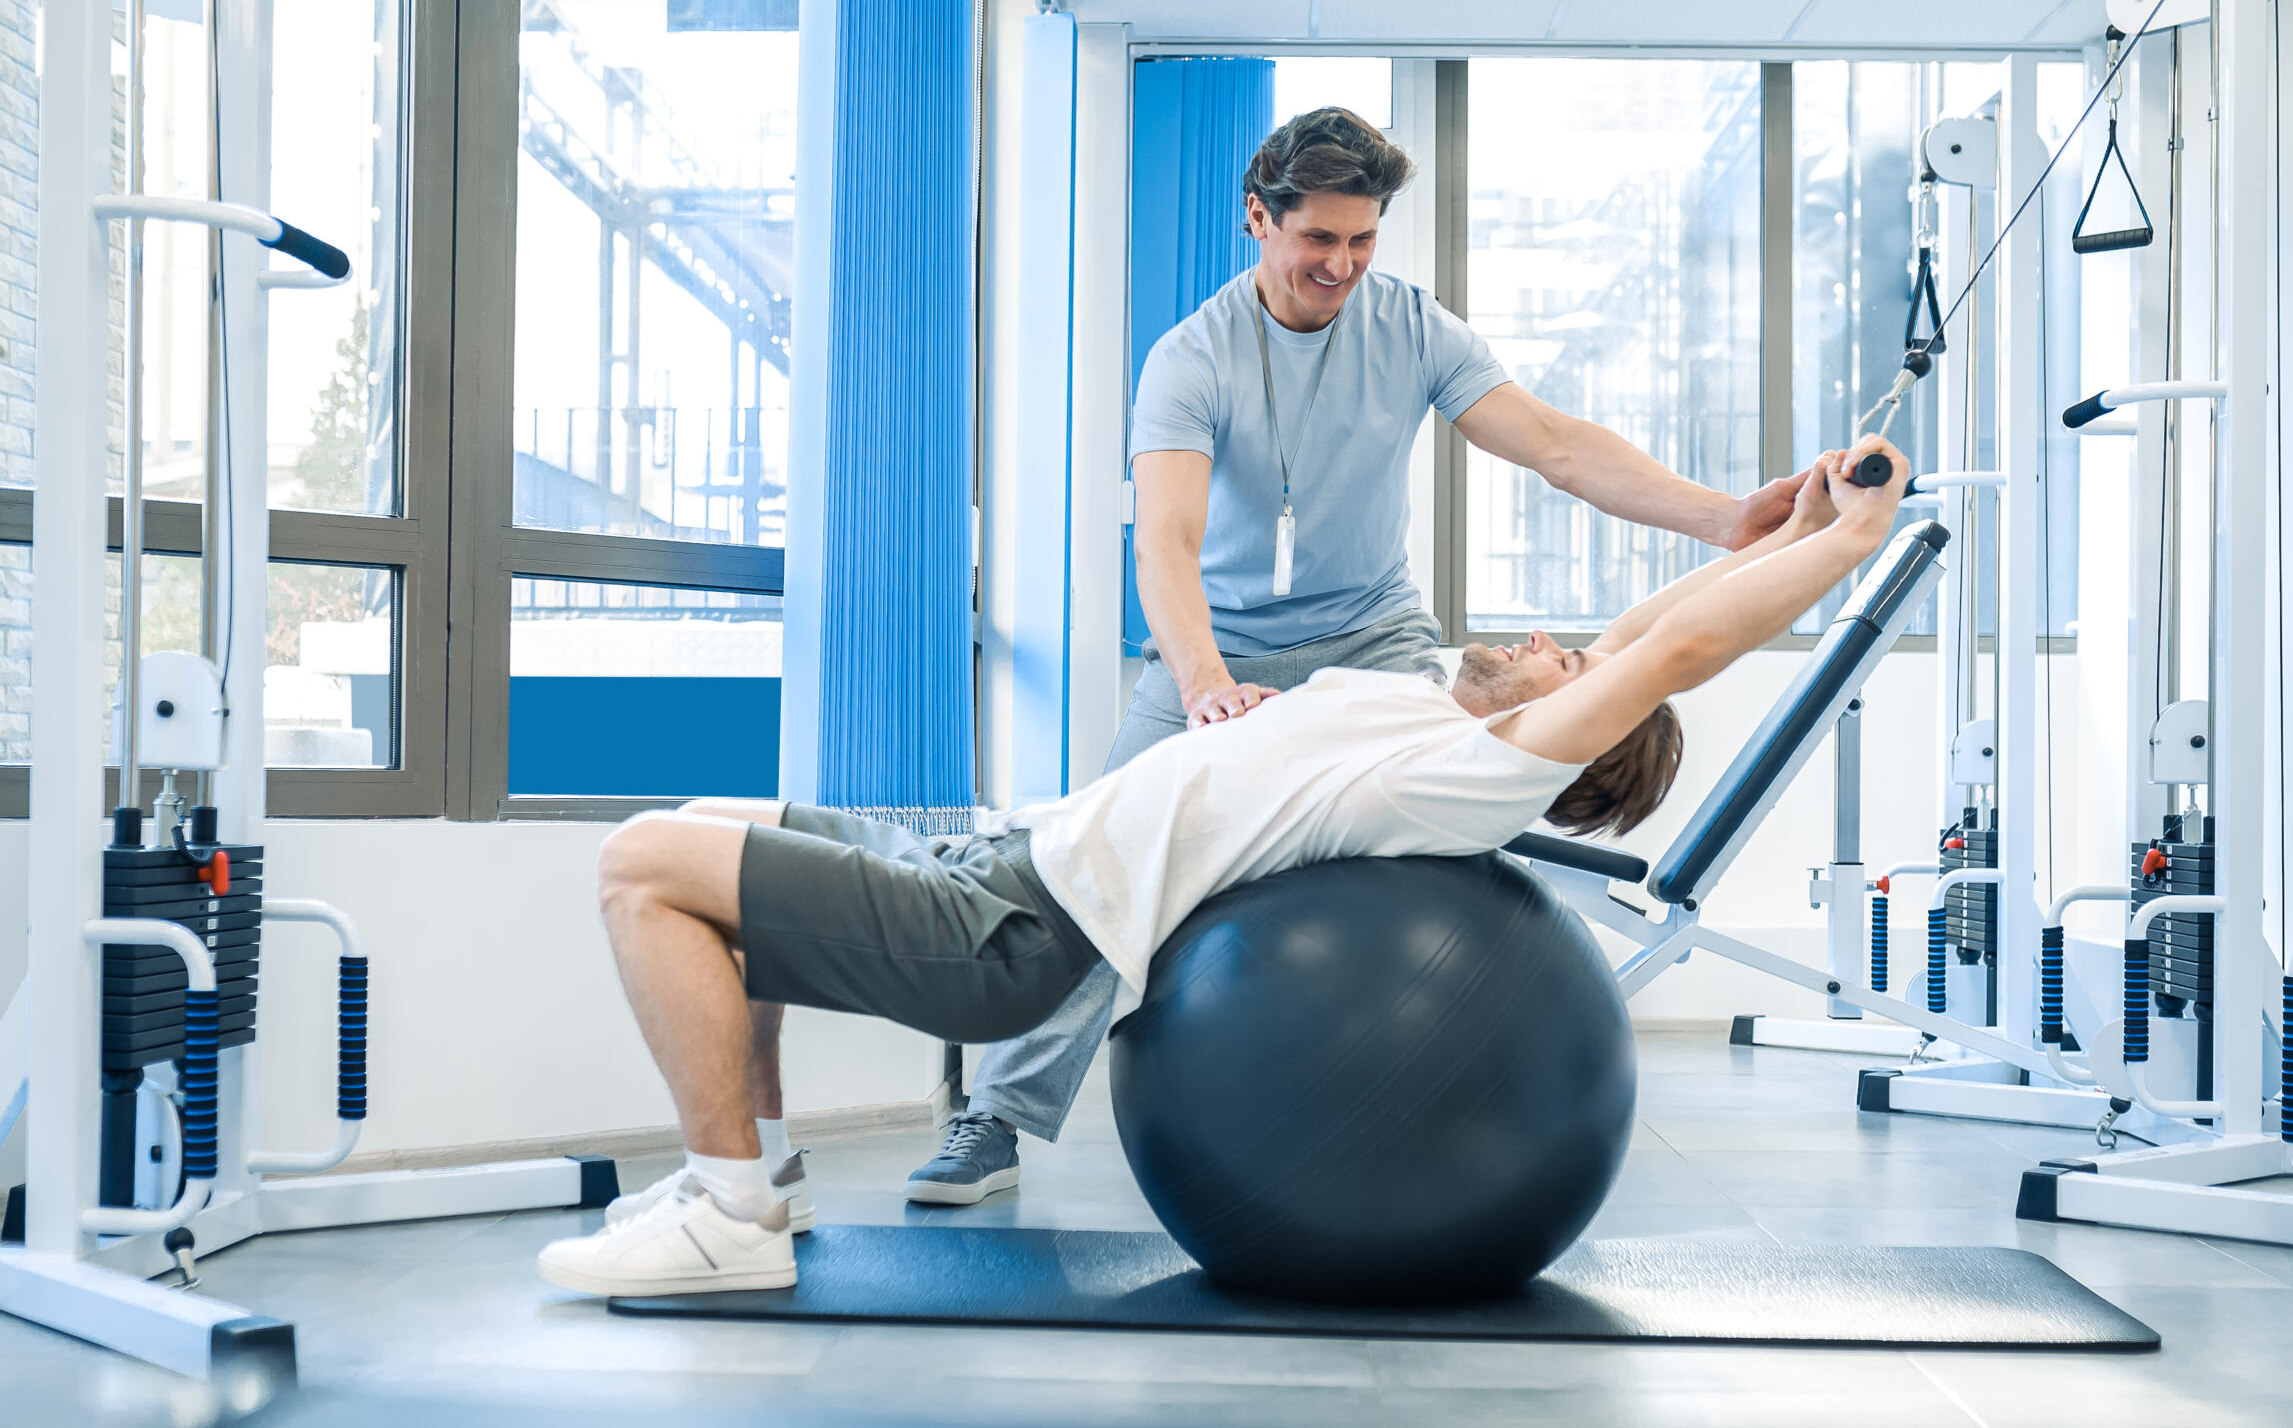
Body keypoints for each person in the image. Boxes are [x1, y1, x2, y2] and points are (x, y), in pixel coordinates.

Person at [534, 438, 1909, 1296]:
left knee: (639, 861)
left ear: (1567, 731)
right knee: (717, 829)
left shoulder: (1479, 769)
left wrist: (1852, 547)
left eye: (1567, 668)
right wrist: (1785, 531)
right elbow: (1642, 628)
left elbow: (1668, 659)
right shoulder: (1440, 700)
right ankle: (759, 1173)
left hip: (1015, 929)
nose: (1554, 639)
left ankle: (727, 1214)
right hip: (1001, 851)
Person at [901, 104, 1814, 1207]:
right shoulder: (1189, 359)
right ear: (1258, 218)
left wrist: (1724, 522)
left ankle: (1454, 1081)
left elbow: (1559, 446)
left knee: (1447, 818)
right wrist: (1203, 686)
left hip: (1377, 636)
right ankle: (993, 1118)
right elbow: (1170, 547)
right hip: (1216, 646)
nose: (1341, 264)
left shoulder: (1413, 327)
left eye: (1363, 239)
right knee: (1103, 860)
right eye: (1319, 239)